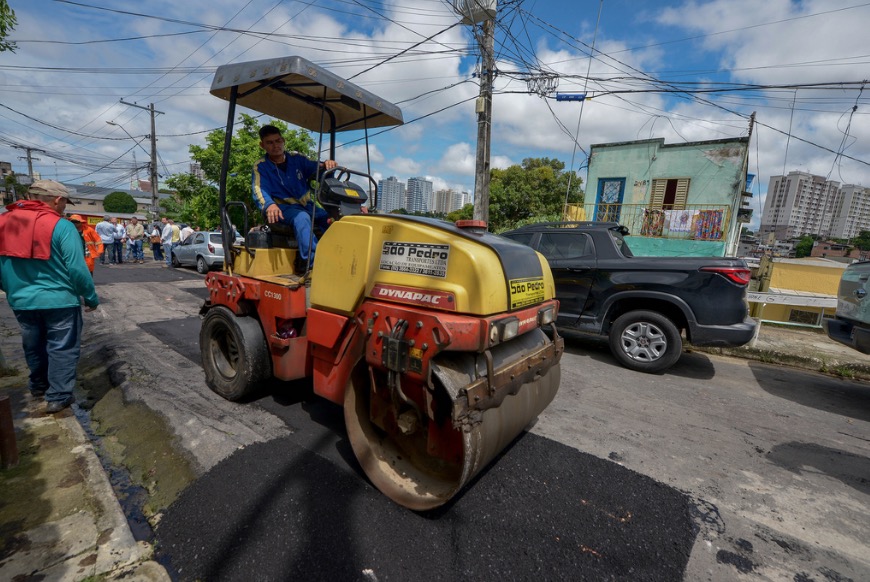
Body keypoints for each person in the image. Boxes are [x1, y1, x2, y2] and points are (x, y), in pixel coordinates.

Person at [0, 180, 100, 413]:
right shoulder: (61, 226)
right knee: (62, 347)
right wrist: (91, 297)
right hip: (60, 299)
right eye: (65, 202)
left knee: (33, 344)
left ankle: (38, 386)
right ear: (58, 200)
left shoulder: (3, 223)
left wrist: (10, 290)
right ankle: (58, 396)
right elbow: (76, 268)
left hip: (21, 300)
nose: (65, 207)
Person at [251, 124, 336, 267]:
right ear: (262, 145)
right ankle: (312, 264)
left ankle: (335, 257)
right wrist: (269, 204)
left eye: (278, 141)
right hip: (282, 209)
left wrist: (327, 165)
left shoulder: (297, 159)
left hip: (306, 206)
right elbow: (258, 189)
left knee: (333, 219)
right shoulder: (261, 166)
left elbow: (317, 170)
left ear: (283, 141)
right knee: (301, 218)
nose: (275, 145)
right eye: (270, 143)